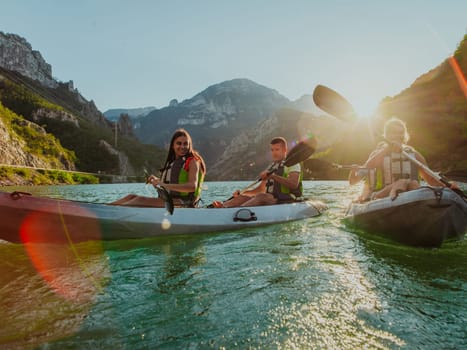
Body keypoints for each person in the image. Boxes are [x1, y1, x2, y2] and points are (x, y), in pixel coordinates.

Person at [349, 117, 455, 201]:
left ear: (404, 134)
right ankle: (394, 199)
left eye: (400, 132)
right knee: (402, 182)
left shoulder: (414, 154)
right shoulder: (378, 154)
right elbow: (359, 176)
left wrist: (449, 187)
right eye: (393, 132)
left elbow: (431, 180)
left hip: (410, 196)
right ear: (386, 135)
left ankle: (417, 211)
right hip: (380, 197)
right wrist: (386, 150)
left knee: (413, 184)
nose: (397, 135)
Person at [110, 128, 206, 207]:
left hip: (185, 203)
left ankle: (112, 213)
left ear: (189, 145)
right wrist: (158, 181)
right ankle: (105, 209)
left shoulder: (193, 161)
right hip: (172, 200)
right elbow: (174, 182)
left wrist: (163, 184)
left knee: (140, 200)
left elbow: (192, 187)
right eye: (179, 143)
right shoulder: (174, 162)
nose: (182, 146)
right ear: (173, 145)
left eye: (185, 144)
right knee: (131, 197)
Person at [213, 137, 302, 207]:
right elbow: (260, 190)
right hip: (270, 199)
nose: (274, 153)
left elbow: (293, 184)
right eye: (272, 150)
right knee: (243, 197)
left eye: (277, 149)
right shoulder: (272, 167)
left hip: (287, 199)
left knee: (261, 197)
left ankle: (236, 212)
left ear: (285, 150)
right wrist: (243, 193)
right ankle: (222, 207)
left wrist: (274, 176)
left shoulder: (293, 164)